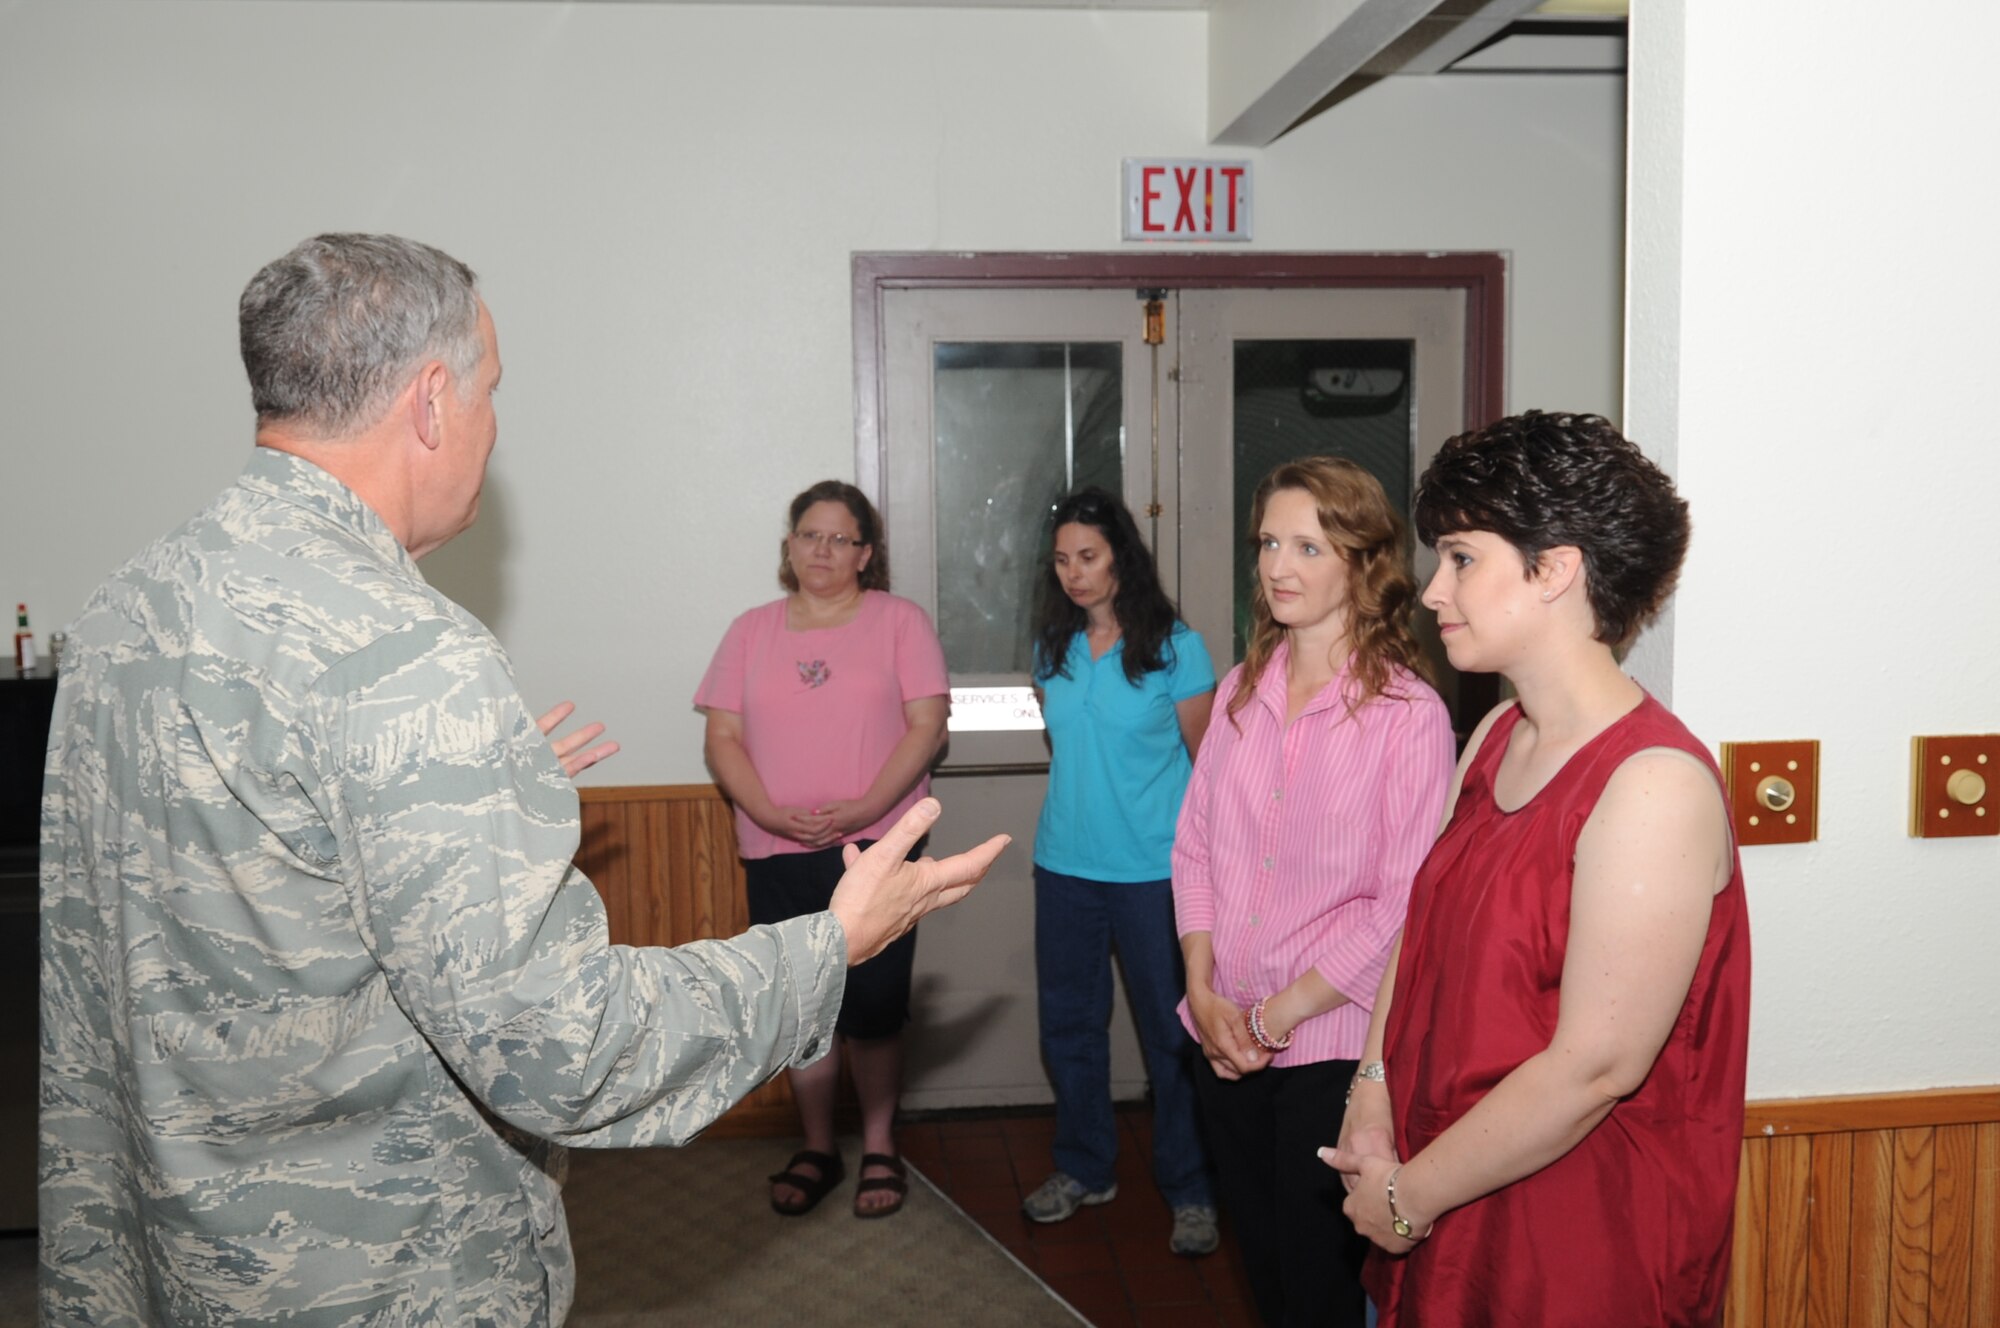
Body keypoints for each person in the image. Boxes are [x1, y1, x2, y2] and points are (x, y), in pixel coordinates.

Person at [37, 233, 1008, 1326]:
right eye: (493, 390)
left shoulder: (127, 608)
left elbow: (144, 938)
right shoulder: (406, 656)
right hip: (367, 1275)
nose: (496, 430)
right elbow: (563, 1048)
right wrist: (828, 945)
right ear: (433, 398)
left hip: (163, 1259)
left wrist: (443, 796)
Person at [1325, 411, 1751, 1327]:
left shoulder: (1652, 786)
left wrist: (1405, 1199)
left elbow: (1593, 1068)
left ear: (1556, 569)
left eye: (1463, 558)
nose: (1435, 590)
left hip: (1569, 1251)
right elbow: (1422, 931)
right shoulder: (1494, 733)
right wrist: (1371, 1093)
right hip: (1435, 1193)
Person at [1173, 458, 1455, 1327]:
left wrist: (1274, 1016)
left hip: (1329, 1045)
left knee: (1320, 1288)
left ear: (1363, 564)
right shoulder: (1238, 690)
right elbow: (1194, 851)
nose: (1278, 566)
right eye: (1268, 542)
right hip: (1222, 1031)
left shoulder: (1409, 716)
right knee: (1262, 1266)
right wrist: (1201, 986)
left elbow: (1399, 907)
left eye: (1308, 545)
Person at [695, 480, 950, 1219]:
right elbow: (722, 738)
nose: (824, 550)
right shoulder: (750, 630)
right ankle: (816, 1147)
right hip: (775, 849)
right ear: (790, 544)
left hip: (876, 849)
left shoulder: (900, 622)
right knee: (799, 1009)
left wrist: (867, 809)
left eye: (842, 539)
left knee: (872, 1006)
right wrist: (770, 810)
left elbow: (925, 725)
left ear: (867, 554)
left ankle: (878, 1145)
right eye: (811, 534)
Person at [1019, 487, 1221, 1257]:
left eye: (1089, 556)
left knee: (1175, 1037)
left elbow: (1208, 772)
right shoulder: (1052, 646)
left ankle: (1192, 1187)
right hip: (1063, 867)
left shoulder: (1178, 646)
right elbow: (1070, 746)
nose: (1074, 573)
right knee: (1069, 1028)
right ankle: (1084, 1166)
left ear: (1121, 557)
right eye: (1063, 559)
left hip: (1155, 873)